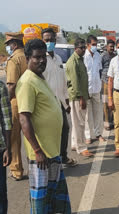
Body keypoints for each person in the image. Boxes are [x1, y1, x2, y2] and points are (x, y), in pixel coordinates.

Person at [16, 39, 71, 213]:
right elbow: (24, 118)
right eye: (37, 57)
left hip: (52, 152)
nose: (41, 61)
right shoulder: (26, 82)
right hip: (40, 155)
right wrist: (38, 151)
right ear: (27, 59)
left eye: (43, 57)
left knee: (54, 200)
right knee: (41, 202)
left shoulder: (40, 77)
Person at [41, 28, 77, 167]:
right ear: (43, 41)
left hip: (60, 102)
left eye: (51, 39)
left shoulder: (58, 58)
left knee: (65, 129)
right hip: (46, 104)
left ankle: (63, 157)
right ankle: (51, 161)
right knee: (50, 133)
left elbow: (63, 81)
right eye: (46, 40)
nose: (49, 42)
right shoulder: (41, 60)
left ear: (56, 41)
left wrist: (66, 101)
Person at [4, 32, 27, 181]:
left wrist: (5, 102)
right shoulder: (28, 56)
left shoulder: (13, 60)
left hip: (16, 102)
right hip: (29, 100)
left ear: (14, 44)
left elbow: (11, 85)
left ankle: (16, 169)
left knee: (14, 138)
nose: (8, 48)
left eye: (9, 45)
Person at [66, 38, 94, 157]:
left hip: (81, 95)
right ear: (75, 48)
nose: (83, 50)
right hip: (77, 97)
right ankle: (81, 147)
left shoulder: (80, 59)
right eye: (81, 48)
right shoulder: (73, 62)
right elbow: (75, 82)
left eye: (84, 47)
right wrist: (82, 98)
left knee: (77, 122)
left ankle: (75, 143)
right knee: (79, 124)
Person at [84, 35, 104, 144]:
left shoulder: (98, 56)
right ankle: (88, 136)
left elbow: (99, 71)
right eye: (93, 44)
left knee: (98, 113)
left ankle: (98, 134)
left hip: (96, 88)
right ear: (88, 45)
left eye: (96, 44)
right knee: (87, 114)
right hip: (87, 89)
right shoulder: (84, 56)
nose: (95, 47)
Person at [0, 81, 12, 214]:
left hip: (0, 148)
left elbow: (7, 120)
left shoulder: (1, 87)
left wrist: (9, 149)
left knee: (1, 191)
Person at [101, 39, 116, 130]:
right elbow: (100, 68)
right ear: (107, 47)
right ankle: (106, 123)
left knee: (113, 103)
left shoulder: (115, 56)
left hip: (114, 83)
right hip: (105, 82)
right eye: (110, 46)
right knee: (106, 103)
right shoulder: (102, 56)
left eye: (112, 47)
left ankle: (112, 121)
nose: (111, 48)